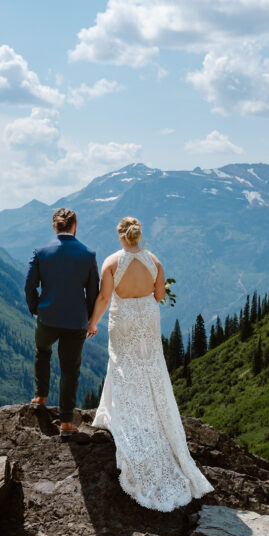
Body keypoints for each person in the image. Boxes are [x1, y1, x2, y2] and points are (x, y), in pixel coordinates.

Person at [88, 216, 214, 511]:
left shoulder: (111, 262)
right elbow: (159, 294)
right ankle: (156, 418)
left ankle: (123, 417)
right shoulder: (154, 260)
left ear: (120, 236)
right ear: (138, 236)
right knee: (151, 367)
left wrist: (92, 322)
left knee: (122, 366)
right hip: (146, 317)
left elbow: (105, 296)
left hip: (123, 319)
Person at [25, 208, 99, 435]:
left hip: (47, 317)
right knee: (70, 371)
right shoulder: (88, 254)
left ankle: (40, 396)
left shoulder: (41, 252)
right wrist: (88, 318)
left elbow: (30, 285)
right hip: (76, 321)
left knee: (42, 351)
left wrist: (36, 309)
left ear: (54, 226)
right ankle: (66, 422)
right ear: (75, 226)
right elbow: (93, 292)